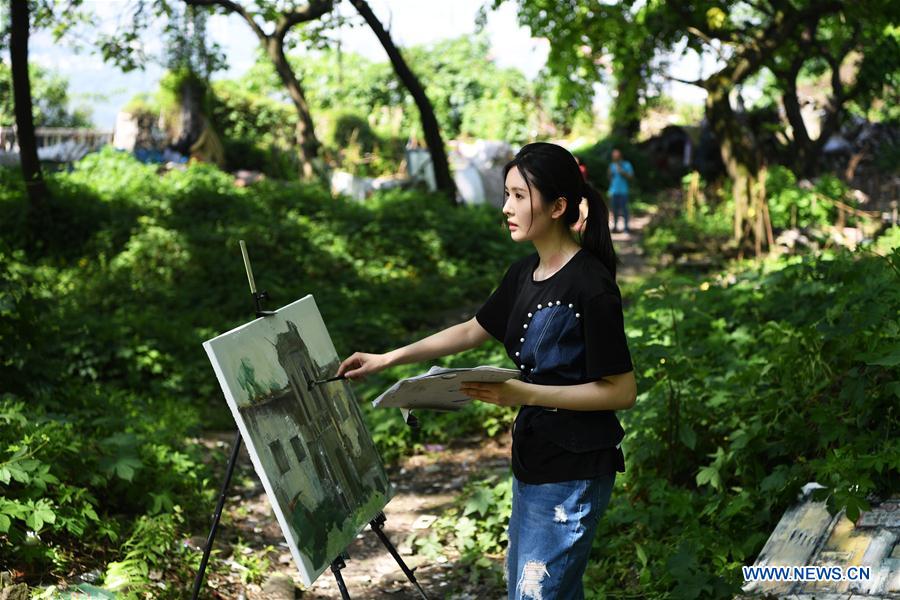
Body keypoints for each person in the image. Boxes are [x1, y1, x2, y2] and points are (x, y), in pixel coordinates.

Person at [336, 142, 637, 600]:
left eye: (519, 196)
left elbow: (621, 391)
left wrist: (527, 394)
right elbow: (470, 331)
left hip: (575, 473)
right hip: (533, 463)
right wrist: (387, 359)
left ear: (558, 207)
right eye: (506, 194)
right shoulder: (523, 274)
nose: (506, 208)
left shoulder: (591, 285)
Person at [607, 148, 634, 234]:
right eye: (613, 156)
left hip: (623, 191)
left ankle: (626, 228)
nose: (614, 157)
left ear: (620, 156)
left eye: (616, 155)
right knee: (614, 210)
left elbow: (631, 177)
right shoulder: (612, 165)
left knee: (624, 210)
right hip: (614, 191)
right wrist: (609, 174)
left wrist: (622, 172)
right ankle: (615, 227)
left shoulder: (627, 164)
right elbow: (610, 178)